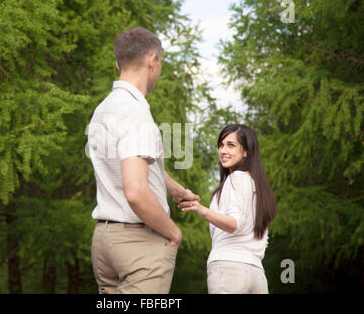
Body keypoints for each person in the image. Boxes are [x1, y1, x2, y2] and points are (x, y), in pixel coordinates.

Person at [87, 27, 200, 294]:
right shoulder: (135, 113)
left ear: (118, 63)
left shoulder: (103, 110)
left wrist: (178, 191)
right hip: (138, 242)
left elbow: (133, 168)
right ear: (153, 60)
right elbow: (136, 191)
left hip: (104, 241)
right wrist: (173, 232)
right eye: (161, 62)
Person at [178, 124, 277, 294]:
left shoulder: (236, 178)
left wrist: (202, 210)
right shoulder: (259, 188)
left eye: (231, 145)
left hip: (229, 269)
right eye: (221, 145)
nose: (223, 150)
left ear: (246, 151)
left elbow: (234, 224)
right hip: (256, 273)